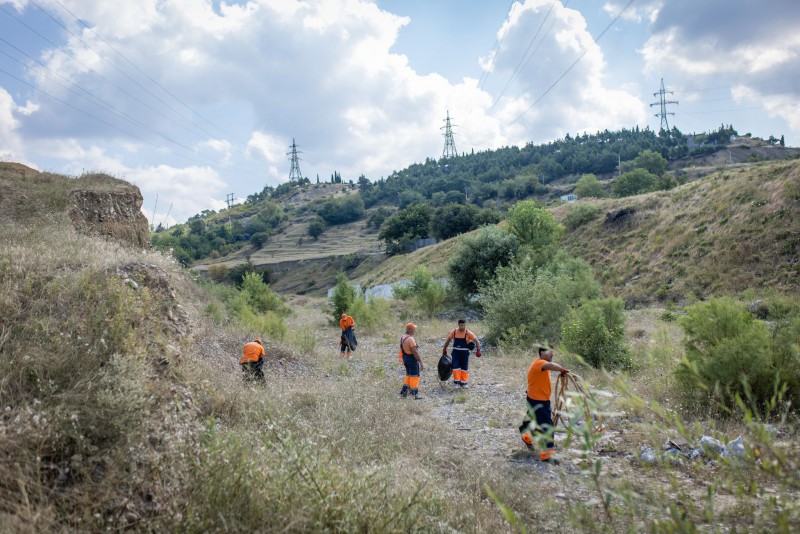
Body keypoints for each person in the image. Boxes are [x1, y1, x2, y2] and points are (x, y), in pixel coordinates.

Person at [518, 347, 569, 463]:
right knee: (547, 426)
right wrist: (562, 369)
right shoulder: (540, 363)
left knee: (534, 423)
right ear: (542, 353)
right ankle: (547, 456)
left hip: (535, 399)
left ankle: (526, 435)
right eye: (549, 352)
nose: (552, 354)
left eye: (552, 351)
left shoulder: (540, 364)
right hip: (538, 401)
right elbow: (550, 366)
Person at [441, 319, 481, 388]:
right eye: (461, 325)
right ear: (458, 325)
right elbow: (448, 341)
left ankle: (464, 383)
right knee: (455, 367)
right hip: (456, 352)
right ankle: (456, 382)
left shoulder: (468, 333)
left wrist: (478, 350)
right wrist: (444, 349)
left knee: (464, 368)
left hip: (465, 353)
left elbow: (477, 341)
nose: (463, 327)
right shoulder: (454, 332)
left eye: (464, 325)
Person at [399, 323, 424, 400]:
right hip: (411, 359)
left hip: (405, 358)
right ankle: (414, 395)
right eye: (414, 329)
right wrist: (421, 362)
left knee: (408, 375)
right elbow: (415, 352)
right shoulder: (410, 339)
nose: (415, 331)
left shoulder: (403, 337)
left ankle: (404, 392)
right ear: (411, 330)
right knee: (414, 376)